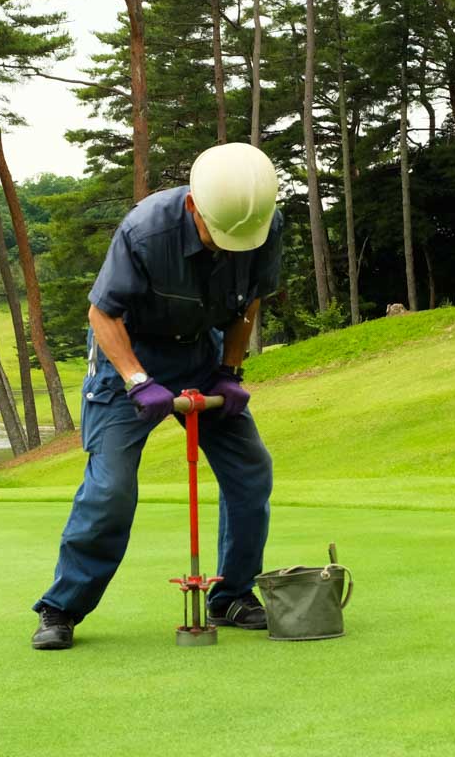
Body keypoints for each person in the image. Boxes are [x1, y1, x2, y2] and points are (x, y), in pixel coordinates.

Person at [31, 143, 284, 650]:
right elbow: (103, 313)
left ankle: (231, 595)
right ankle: (62, 607)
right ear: (193, 206)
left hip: (202, 353)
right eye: (220, 235)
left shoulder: (262, 223)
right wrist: (136, 379)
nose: (231, 248)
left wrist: (230, 371)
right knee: (111, 488)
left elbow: (249, 302)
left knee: (251, 469)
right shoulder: (145, 231)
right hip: (128, 353)